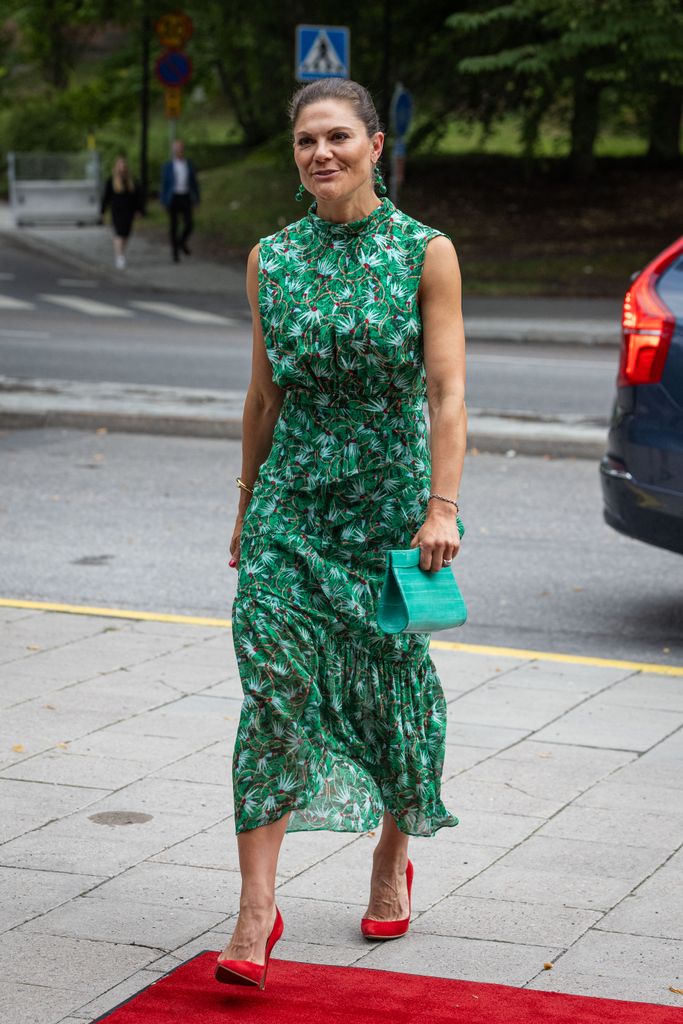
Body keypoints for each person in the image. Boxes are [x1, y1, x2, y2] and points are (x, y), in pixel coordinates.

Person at [216, 78, 467, 991]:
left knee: (393, 688)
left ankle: (390, 859)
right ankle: (254, 914)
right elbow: (262, 396)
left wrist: (441, 507)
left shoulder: (422, 253)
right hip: (290, 505)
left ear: (373, 143)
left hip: (391, 506)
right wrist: (246, 506)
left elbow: (446, 393)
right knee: (274, 687)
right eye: (303, 142)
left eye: (336, 138)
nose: (319, 154)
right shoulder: (270, 260)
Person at [159, 139, 200, 262]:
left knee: (189, 223)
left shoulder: (189, 164)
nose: (179, 151)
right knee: (174, 225)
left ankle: (181, 242)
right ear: (173, 150)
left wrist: (197, 198)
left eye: (181, 148)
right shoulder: (168, 166)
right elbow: (164, 184)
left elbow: (194, 183)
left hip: (186, 196)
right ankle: (175, 253)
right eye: (177, 148)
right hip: (173, 197)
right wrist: (163, 200)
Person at [100, 156, 142, 270]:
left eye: (123, 166)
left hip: (128, 211)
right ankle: (119, 256)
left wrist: (138, 210)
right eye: (120, 165)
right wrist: (102, 212)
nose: (122, 168)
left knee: (126, 233)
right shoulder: (111, 181)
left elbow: (137, 197)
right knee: (118, 233)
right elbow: (106, 198)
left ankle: (121, 252)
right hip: (117, 211)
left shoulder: (131, 181)